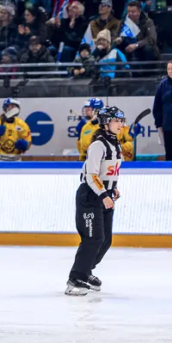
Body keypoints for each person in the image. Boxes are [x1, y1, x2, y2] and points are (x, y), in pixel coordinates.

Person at [66, 106, 125, 296]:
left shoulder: (116, 145)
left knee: (105, 240)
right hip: (91, 196)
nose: (120, 124)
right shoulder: (98, 145)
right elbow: (91, 175)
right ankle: (75, 278)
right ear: (105, 123)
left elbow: (108, 171)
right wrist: (103, 195)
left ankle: (86, 271)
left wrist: (113, 188)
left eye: (121, 121)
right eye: (116, 121)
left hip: (104, 194)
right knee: (93, 238)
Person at [153, 60, 172, 161]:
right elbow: (157, 106)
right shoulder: (162, 85)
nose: (170, 71)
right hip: (168, 126)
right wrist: (159, 124)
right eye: (168, 69)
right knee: (169, 152)